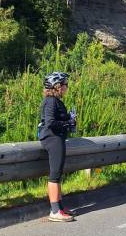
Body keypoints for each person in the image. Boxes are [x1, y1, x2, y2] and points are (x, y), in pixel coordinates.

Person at [39, 72, 75, 222]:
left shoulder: (56, 101)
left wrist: (69, 118)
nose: (67, 87)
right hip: (52, 138)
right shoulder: (50, 101)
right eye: (65, 85)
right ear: (58, 86)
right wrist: (68, 123)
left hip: (57, 138)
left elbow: (58, 118)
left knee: (58, 174)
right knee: (54, 175)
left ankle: (59, 206)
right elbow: (50, 123)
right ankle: (54, 211)